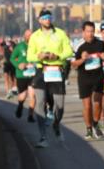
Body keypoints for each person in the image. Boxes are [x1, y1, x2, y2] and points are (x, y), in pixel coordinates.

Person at [26, 8, 74, 148]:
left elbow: (69, 51)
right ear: (39, 20)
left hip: (56, 71)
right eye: (44, 17)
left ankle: (56, 124)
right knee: (40, 103)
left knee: (60, 106)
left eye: (49, 17)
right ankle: (42, 136)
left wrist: (57, 56)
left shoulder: (60, 34)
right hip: (42, 71)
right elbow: (30, 56)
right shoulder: (35, 36)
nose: (47, 19)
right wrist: (38, 56)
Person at [71, 21, 104, 140]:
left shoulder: (100, 43)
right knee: (87, 106)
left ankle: (96, 124)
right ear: (83, 32)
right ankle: (88, 129)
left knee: (97, 103)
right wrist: (82, 59)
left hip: (98, 76)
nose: (90, 34)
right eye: (88, 31)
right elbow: (74, 64)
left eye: (92, 31)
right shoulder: (78, 45)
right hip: (84, 78)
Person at [11, 30, 36, 123]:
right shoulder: (20, 46)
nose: (30, 37)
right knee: (23, 95)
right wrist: (18, 65)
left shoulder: (36, 46)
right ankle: (20, 106)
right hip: (21, 74)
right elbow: (12, 58)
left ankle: (30, 115)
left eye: (31, 35)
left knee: (32, 95)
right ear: (25, 36)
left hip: (33, 74)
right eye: (28, 35)